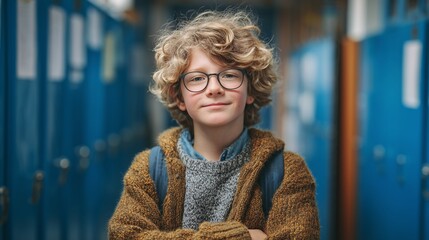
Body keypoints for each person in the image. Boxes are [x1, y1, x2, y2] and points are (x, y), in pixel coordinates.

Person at [108, 10, 319, 240]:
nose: (214, 88)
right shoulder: (148, 169)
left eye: (229, 75)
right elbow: (125, 235)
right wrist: (246, 237)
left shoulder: (287, 171)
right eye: (197, 78)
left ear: (251, 89)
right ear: (179, 98)